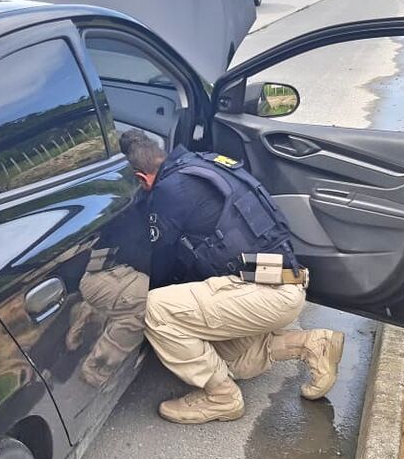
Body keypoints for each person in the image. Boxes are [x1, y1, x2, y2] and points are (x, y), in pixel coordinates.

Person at [119, 130, 345, 425]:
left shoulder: (169, 190)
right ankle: (312, 344)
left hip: (264, 293)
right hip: (285, 281)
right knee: (232, 360)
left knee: (152, 309)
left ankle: (222, 398)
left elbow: (158, 264)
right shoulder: (206, 163)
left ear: (141, 178)